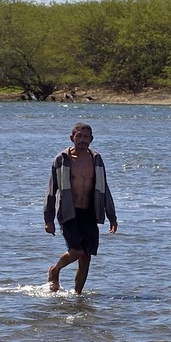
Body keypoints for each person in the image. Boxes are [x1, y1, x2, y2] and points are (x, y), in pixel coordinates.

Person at [43, 122, 118, 292]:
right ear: (72, 138)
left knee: (86, 258)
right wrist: (48, 220)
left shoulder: (96, 159)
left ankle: (77, 296)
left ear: (91, 139)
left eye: (86, 137)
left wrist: (112, 216)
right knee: (76, 251)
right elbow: (51, 190)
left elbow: (104, 188)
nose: (82, 140)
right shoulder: (62, 159)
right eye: (79, 136)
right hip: (69, 212)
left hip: (91, 212)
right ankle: (54, 270)